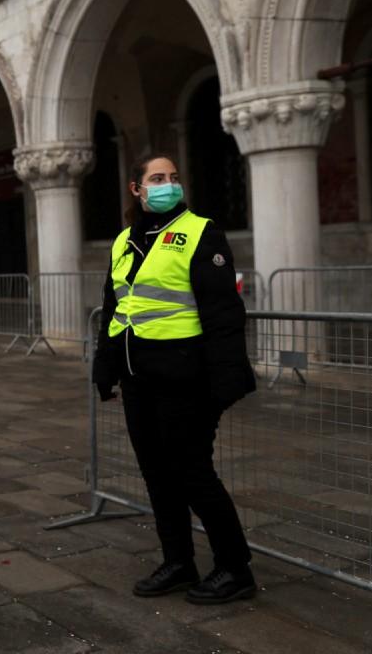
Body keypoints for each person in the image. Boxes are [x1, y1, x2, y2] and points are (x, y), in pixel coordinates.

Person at [92, 153, 257, 605]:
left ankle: (235, 568)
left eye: (174, 177)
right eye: (157, 178)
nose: (169, 184)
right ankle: (179, 561)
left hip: (187, 379)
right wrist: (104, 367)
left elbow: (224, 313)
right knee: (157, 475)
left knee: (192, 473)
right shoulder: (125, 240)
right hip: (137, 378)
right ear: (136, 189)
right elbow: (115, 308)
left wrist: (226, 377)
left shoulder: (201, 232)